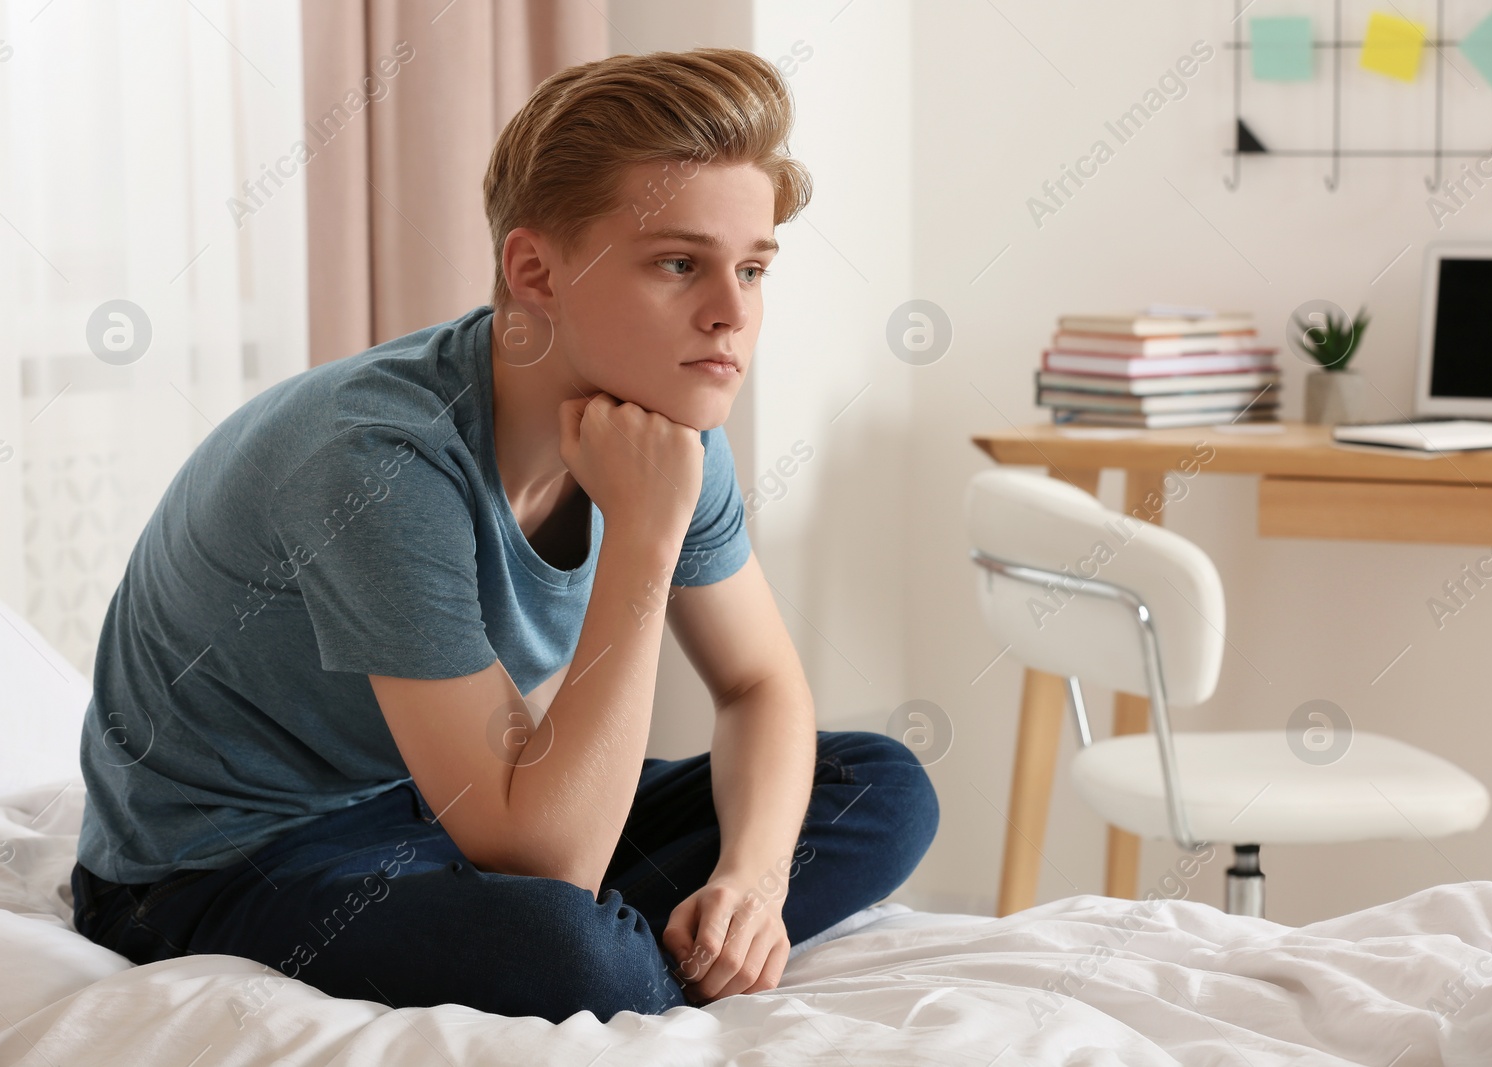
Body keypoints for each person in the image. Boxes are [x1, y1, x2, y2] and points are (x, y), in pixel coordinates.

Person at [68, 46, 939, 1024]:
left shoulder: (668, 414)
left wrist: (752, 881)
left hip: (445, 803)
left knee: (881, 785)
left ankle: (614, 951)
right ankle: (611, 966)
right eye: (678, 263)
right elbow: (548, 860)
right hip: (225, 861)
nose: (731, 315)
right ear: (534, 270)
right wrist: (644, 542)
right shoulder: (377, 462)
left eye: (752, 267)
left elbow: (758, 684)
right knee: (573, 957)